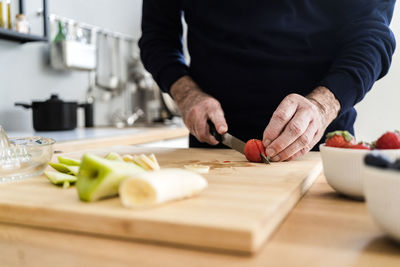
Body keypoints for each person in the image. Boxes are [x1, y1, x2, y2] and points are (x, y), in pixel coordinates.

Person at [139, 1, 396, 162]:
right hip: (213, 143)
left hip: (319, 146)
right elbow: (157, 37)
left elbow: (372, 36)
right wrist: (187, 94)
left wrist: (322, 104)